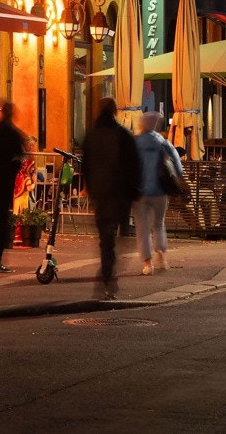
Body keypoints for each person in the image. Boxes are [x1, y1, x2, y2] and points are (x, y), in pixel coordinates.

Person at [80, 97, 139, 300]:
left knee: (106, 239)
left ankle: (107, 274)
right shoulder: (123, 135)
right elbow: (133, 166)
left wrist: (89, 187)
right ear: (114, 111)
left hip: (100, 193)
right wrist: (134, 191)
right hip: (119, 193)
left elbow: (85, 165)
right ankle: (108, 274)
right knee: (118, 238)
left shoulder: (91, 136)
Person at [133, 111, 184, 276]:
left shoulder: (136, 142)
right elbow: (176, 159)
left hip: (140, 191)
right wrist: (179, 175)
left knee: (142, 227)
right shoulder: (162, 141)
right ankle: (160, 254)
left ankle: (148, 264)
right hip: (161, 190)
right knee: (159, 223)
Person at [0, 101, 26, 273]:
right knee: (2, 218)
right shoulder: (14, 134)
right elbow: (19, 157)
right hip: (5, 180)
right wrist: (12, 171)